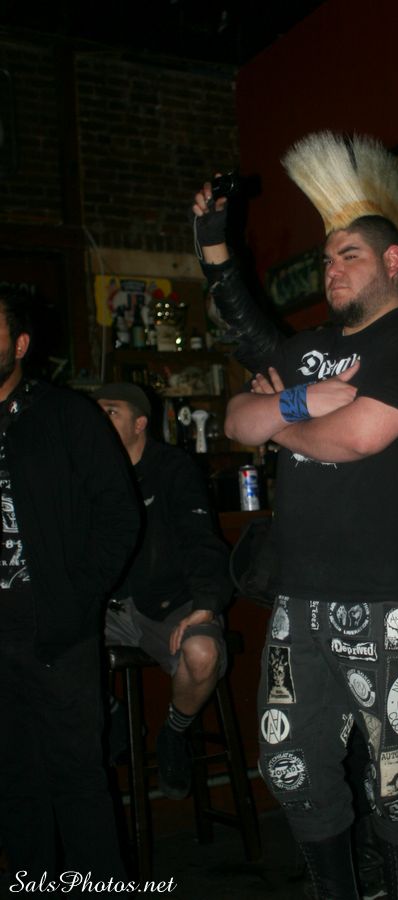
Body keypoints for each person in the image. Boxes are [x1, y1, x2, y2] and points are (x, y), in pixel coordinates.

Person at [193, 132, 398, 900]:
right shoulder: (307, 349)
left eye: (349, 254)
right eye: (326, 258)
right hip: (301, 597)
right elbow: (235, 420)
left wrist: (279, 417)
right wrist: (299, 401)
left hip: (395, 598)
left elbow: (356, 438)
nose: (331, 269)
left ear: (392, 261)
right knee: (288, 763)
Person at [0, 291, 140, 884]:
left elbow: (120, 515)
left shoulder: (65, 415)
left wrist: (76, 598)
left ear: (20, 345)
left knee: (79, 783)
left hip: (55, 630)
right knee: (14, 786)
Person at [93, 383, 231, 799]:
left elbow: (201, 538)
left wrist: (206, 604)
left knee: (202, 655)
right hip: (108, 608)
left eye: (111, 411)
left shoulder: (172, 467)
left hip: (168, 601)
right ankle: (116, 719)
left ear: (140, 424)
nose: (99, 420)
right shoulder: (88, 470)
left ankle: (174, 731)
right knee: (39, 645)